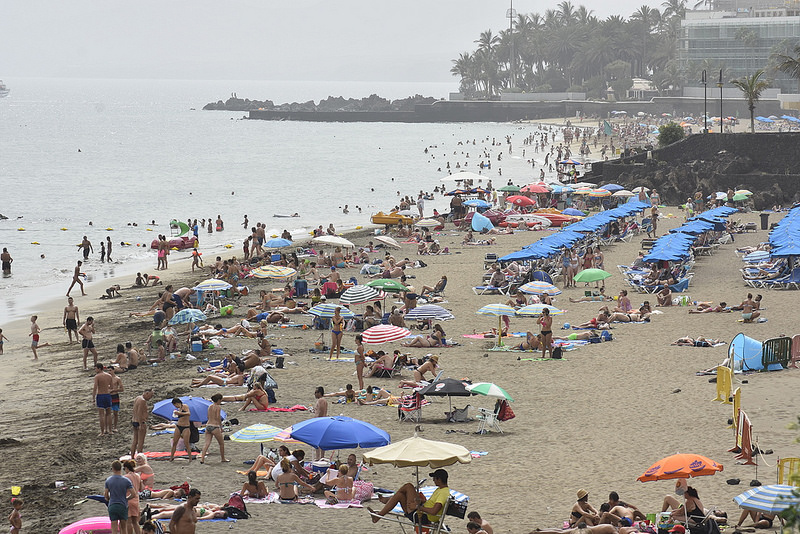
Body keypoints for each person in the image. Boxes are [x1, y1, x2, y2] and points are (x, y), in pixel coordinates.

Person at [369, 468, 450, 525]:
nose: (433, 480)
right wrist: (422, 502)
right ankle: (378, 516)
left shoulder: (443, 493)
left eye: (434, 478)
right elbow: (432, 505)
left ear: (439, 479)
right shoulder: (440, 489)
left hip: (421, 516)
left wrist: (418, 507)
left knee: (409, 486)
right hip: (420, 513)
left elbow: (434, 511)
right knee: (400, 495)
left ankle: (388, 500)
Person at [104, 460, 134, 534]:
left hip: (112, 504)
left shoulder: (108, 480)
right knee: (123, 528)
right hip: (122, 504)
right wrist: (127, 498)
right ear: (121, 468)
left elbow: (106, 494)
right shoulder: (126, 480)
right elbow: (133, 494)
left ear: (113, 469)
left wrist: (108, 499)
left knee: (114, 528)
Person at [200, 393, 229, 463]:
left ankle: (202, 459)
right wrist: (221, 427)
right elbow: (218, 417)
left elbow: (208, 416)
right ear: (218, 400)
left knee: (206, 443)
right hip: (215, 426)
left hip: (208, 425)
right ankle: (223, 458)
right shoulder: (218, 407)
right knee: (221, 443)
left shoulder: (210, 406)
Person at [130, 389, 154, 458]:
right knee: (140, 442)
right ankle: (139, 458)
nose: (150, 398)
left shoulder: (137, 398)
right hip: (140, 422)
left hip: (134, 421)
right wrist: (141, 424)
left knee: (135, 441)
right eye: (151, 395)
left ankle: (132, 457)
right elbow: (139, 412)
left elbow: (135, 410)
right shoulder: (142, 401)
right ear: (147, 393)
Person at [169, 398, 194, 462]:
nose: (175, 406)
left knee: (186, 443)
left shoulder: (184, 406)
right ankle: (171, 457)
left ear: (178, 403)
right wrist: (177, 414)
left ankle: (190, 458)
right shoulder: (178, 409)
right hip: (178, 426)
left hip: (186, 427)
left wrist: (180, 413)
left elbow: (188, 413)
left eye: (175, 405)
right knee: (175, 442)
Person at [93, 363, 113, 436]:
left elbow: (95, 388)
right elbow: (111, 387)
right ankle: (110, 430)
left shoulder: (97, 376)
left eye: (95, 368)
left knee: (101, 415)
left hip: (100, 395)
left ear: (99, 368)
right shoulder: (109, 376)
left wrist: (93, 398)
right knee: (109, 414)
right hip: (107, 395)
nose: (95, 370)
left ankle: (102, 432)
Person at [123, 460, 142, 534]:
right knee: (135, 522)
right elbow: (141, 488)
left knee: (128, 521)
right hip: (136, 500)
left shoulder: (126, 477)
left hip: (128, 499)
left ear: (126, 468)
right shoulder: (138, 476)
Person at [313, 387, 328, 459]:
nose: (315, 394)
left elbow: (321, 411)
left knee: (318, 440)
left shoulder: (321, 400)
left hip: (320, 422)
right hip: (322, 422)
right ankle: (321, 457)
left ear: (319, 393)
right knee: (322, 440)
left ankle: (318, 457)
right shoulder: (323, 400)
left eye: (316, 392)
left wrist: (317, 421)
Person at [108, 366, 124, 432]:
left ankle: (115, 427)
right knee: (107, 413)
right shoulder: (107, 379)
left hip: (115, 396)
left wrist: (114, 390)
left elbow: (122, 389)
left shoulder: (117, 379)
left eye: (110, 370)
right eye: (108, 371)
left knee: (115, 412)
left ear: (113, 370)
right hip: (108, 396)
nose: (109, 372)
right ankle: (108, 427)